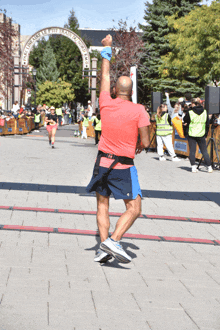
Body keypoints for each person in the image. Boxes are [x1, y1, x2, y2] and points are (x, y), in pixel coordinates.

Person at [86, 34, 150, 264]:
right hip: (123, 165)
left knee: (102, 204)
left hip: (102, 162)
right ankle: (113, 240)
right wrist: (140, 144)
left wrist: (107, 48)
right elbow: (146, 141)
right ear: (131, 92)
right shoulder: (139, 110)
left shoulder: (105, 102)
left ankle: (103, 248)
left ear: (114, 89)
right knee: (134, 208)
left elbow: (103, 74)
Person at [183, 98, 212, 173]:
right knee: (204, 151)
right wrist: (205, 134)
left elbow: (185, 119)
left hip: (192, 134)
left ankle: (193, 167)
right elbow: (207, 124)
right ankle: (209, 167)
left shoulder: (190, 112)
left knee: (192, 151)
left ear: (194, 104)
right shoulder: (205, 112)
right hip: (201, 134)